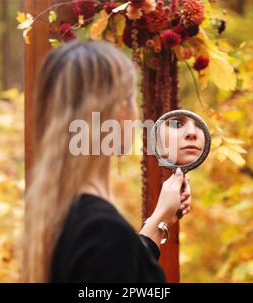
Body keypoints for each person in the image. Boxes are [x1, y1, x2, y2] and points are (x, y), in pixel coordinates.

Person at [22, 40, 192, 283]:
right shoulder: (103, 233)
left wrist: (160, 218)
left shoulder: (59, 211)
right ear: (118, 111)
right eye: (133, 99)